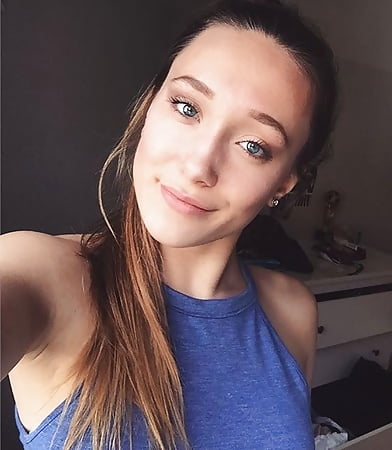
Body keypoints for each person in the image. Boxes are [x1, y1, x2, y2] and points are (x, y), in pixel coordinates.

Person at [1, 0, 337, 448]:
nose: (199, 166)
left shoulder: (292, 312)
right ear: (149, 107)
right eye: (187, 107)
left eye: (253, 146)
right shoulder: (46, 276)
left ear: (284, 183)